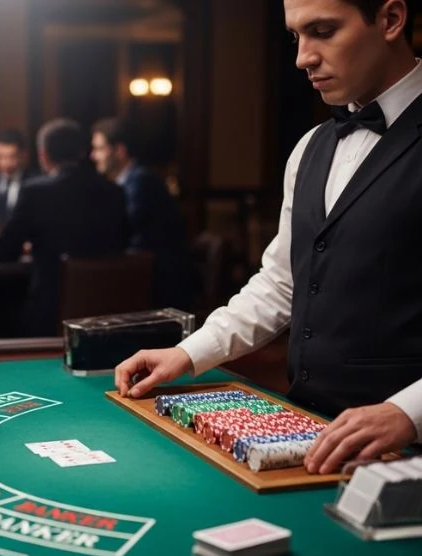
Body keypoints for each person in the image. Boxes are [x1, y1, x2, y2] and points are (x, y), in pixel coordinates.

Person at [115, 0, 422, 475]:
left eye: (323, 30)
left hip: (409, 458)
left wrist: (408, 412)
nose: (303, 57)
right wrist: (189, 352)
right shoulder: (311, 147)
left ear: (390, 20)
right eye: (296, 36)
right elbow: (281, 283)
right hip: (308, 437)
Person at [0, 118, 129, 336]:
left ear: (44, 155)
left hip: (49, 316)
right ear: (83, 152)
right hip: (108, 315)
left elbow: (2, 252)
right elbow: (121, 244)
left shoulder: (35, 192)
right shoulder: (114, 191)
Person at [91, 117, 197, 310]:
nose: (93, 156)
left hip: (160, 287)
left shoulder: (140, 181)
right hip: (146, 276)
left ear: (119, 150)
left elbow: (126, 227)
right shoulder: (129, 180)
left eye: (99, 149)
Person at [0, 128, 36, 226]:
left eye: (11, 157)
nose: (5, 163)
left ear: (23, 155)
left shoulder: (33, 184)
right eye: (0, 157)